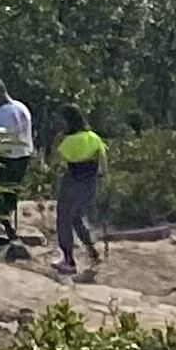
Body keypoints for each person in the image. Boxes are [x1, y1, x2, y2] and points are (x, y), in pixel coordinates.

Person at [0, 81, 38, 249]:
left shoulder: (1, 114)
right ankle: (8, 230)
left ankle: (5, 232)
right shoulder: (22, 107)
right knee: (12, 193)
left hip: (6, 158)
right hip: (23, 156)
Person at [53, 107, 108, 277]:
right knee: (77, 217)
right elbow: (103, 167)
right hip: (90, 182)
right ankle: (92, 251)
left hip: (72, 181)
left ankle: (69, 260)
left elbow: (56, 163)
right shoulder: (94, 138)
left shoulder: (67, 142)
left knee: (64, 218)